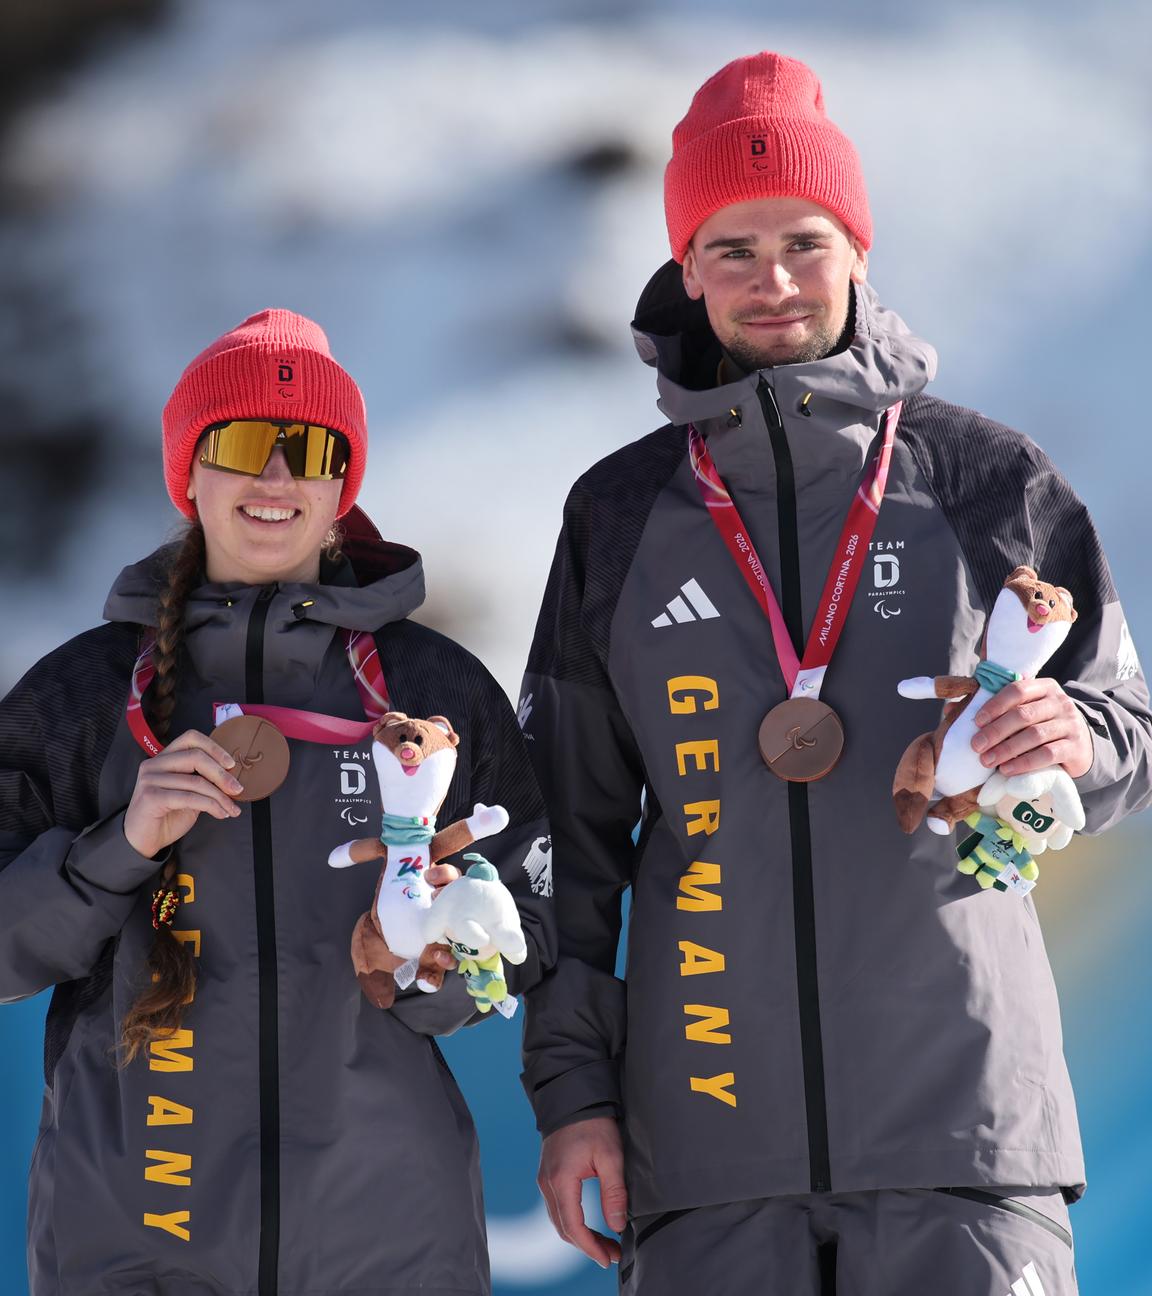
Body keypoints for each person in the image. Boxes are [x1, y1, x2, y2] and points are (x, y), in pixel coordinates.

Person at [518, 51, 1151, 1295]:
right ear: (686, 270)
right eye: (733, 250)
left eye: (804, 241)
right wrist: (572, 1098)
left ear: (858, 248)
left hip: (965, 1131)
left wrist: (1074, 737)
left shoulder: (984, 480)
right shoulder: (621, 515)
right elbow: (570, 844)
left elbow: (1132, 732)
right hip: (705, 1145)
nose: (773, 282)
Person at [0, 308, 554, 1296]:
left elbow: (531, 927)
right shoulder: (81, 694)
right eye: (247, 444)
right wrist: (117, 849)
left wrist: (439, 961)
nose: (277, 478)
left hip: (387, 1246)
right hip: (133, 1243)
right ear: (191, 472)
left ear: (344, 484)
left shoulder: (435, 688)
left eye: (311, 451)